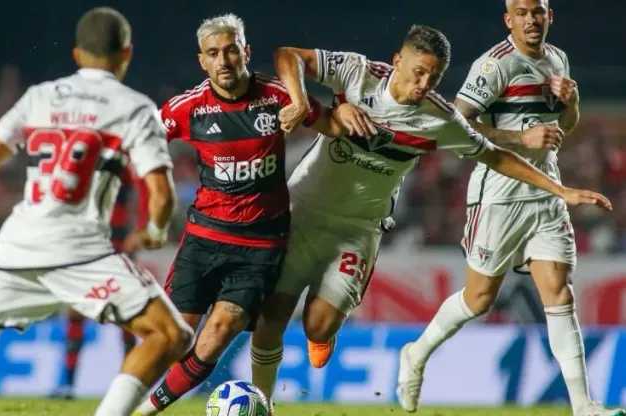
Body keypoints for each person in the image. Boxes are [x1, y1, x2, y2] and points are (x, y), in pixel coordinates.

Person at [248, 24, 612, 412]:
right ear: (397, 61)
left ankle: (324, 334)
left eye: (434, 76)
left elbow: (495, 156)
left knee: (318, 325)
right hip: (304, 211)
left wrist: (561, 190)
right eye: (418, 72)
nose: (424, 83)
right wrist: (302, 101)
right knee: (273, 314)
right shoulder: (357, 74)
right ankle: (263, 403)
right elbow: (288, 55)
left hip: (358, 229)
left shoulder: (440, 118)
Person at [0, 7, 194, 416]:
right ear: (126, 54)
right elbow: (160, 190)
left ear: (77, 54)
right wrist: (155, 230)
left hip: (14, 249)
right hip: (81, 250)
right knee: (171, 335)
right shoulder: (134, 107)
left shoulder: (40, 97)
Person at [396, 2, 625, 416]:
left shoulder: (558, 59)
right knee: (480, 298)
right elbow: (454, 126)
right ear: (509, 20)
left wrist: (570, 103)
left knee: (559, 295)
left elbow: (562, 128)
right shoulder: (493, 66)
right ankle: (416, 352)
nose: (530, 19)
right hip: (498, 195)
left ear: (549, 16)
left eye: (537, 11)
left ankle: (583, 406)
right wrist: (520, 137)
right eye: (521, 12)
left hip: (547, 192)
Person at [132, 13, 349, 416]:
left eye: (231, 50)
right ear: (202, 61)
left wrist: (339, 117)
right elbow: (140, 140)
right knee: (171, 338)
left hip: (260, 245)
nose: (224, 60)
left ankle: (145, 412)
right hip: (204, 238)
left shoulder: (279, 95)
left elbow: (331, 125)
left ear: (246, 52)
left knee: (217, 334)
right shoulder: (189, 107)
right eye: (213, 53)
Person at [53, 167, 147, 400]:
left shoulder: (123, 159)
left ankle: (131, 386)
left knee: (126, 317)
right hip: (87, 246)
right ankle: (68, 385)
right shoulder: (85, 159)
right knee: (76, 312)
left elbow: (144, 189)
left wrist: (139, 229)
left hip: (117, 247)